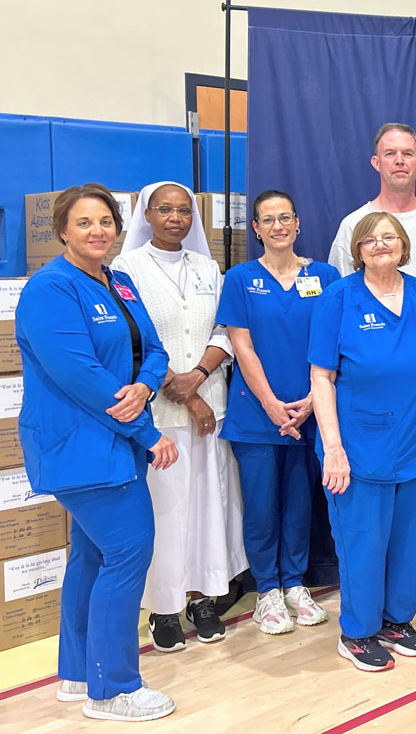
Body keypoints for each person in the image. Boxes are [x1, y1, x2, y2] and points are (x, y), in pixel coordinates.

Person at [16, 184, 178, 721]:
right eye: (84, 223)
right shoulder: (50, 289)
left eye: (106, 221)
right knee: (129, 553)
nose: (97, 231)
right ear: (62, 230)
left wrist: (147, 387)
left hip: (114, 439)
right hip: (81, 446)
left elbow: (154, 350)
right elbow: (79, 376)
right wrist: (147, 432)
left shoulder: (119, 281)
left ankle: (80, 671)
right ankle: (113, 690)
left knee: (91, 555)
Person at [309, 211, 416, 672]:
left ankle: (397, 621)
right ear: (358, 248)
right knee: (364, 541)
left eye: (390, 237)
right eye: (372, 239)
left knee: (412, 538)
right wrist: (333, 447)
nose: (381, 245)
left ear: (404, 245)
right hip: (359, 447)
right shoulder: (339, 297)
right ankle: (357, 632)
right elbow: (321, 376)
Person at [328, 123, 416, 610]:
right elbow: (338, 305)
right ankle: (365, 615)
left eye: (408, 153)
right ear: (376, 163)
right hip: (368, 391)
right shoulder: (354, 224)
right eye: (390, 153)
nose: (399, 161)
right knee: (368, 511)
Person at [112, 181, 247, 653]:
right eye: (165, 210)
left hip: (213, 405)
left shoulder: (208, 267)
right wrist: (186, 392)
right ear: (146, 215)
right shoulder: (125, 268)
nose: (176, 218)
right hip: (161, 409)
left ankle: (204, 598)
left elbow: (226, 328)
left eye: (184, 211)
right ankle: (164, 608)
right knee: (166, 510)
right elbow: (135, 338)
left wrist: (200, 375)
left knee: (211, 505)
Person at [217, 190, 340, 634]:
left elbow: (331, 341)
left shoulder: (324, 276)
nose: (277, 226)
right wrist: (270, 403)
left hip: (312, 410)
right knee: (262, 506)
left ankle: (294, 584)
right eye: (267, 220)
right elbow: (241, 345)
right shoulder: (240, 278)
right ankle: (267, 589)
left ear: (298, 223)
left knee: (300, 503)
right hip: (256, 414)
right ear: (256, 229)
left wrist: (312, 398)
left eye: (285, 217)